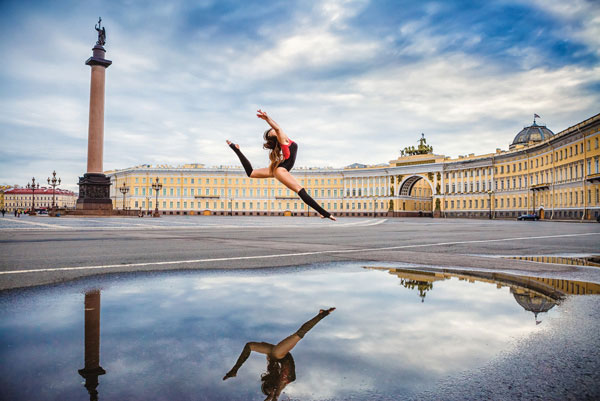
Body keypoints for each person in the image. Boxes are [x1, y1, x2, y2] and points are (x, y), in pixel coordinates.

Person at [227, 110, 336, 220]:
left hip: (278, 167)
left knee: (251, 173)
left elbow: (250, 172)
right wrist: (267, 119)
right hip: (281, 170)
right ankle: (324, 213)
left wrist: (237, 150)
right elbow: (278, 128)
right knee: (300, 190)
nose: (274, 130)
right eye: (272, 131)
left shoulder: (284, 140)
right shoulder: (282, 139)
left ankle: (236, 150)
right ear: (275, 137)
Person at [223, 307, 335, 401]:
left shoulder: (274, 376)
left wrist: (234, 369)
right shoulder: (280, 385)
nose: (271, 391)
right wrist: (272, 395)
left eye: (268, 389)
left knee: (250, 346)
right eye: (270, 390)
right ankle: (322, 315)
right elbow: (275, 395)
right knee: (299, 334)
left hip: (277, 357)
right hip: (281, 358)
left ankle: (234, 370)